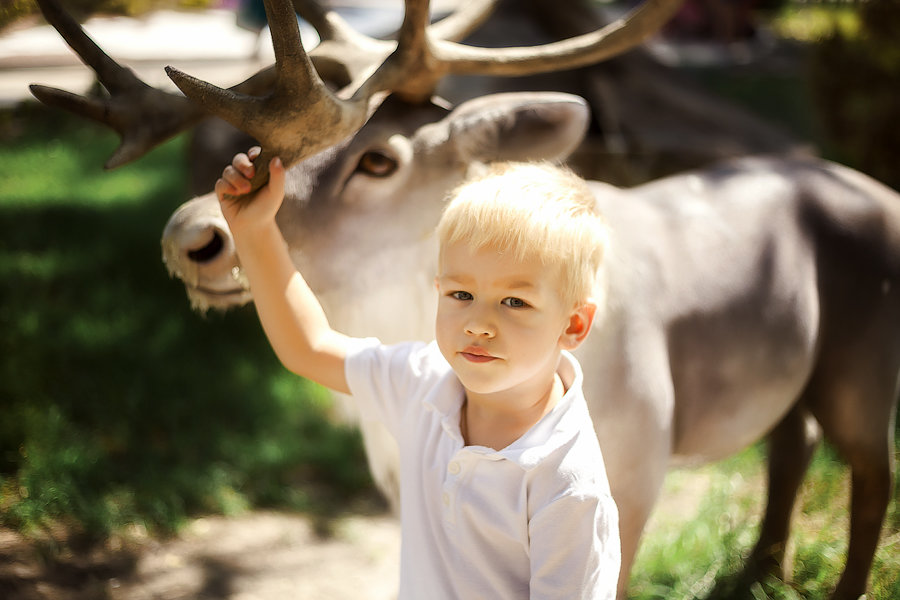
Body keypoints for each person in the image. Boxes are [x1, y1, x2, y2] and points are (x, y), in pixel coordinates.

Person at [215, 147, 621, 599]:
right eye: (461, 293)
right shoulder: (422, 383)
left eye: (515, 302)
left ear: (573, 324)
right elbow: (309, 348)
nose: (477, 323)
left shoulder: (566, 485)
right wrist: (253, 231)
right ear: (438, 288)